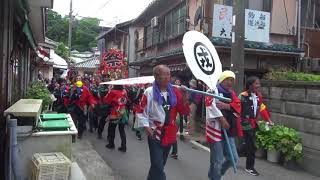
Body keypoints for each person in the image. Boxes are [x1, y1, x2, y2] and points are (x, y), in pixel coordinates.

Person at [136, 65, 189, 180]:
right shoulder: (149, 92)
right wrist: (147, 127)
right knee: (158, 165)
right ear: (156, 76)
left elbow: (183, 110)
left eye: (169, 74)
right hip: (155, 133)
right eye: (164, 74)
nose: (167, 77)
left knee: (159, 164)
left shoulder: (175, 91)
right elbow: (140, 111)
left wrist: (184, 97)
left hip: (170, 133)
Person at [205, 70, 243, 180]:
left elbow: (238, 106)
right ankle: (215, 177)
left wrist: (226, 106)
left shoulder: (232, 93)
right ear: (222, 79)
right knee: (217, 160)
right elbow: (210, 106)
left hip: (228, 130)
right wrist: (221, 119)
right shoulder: (212, 90)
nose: (230, 82)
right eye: (227, 79)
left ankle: (216, 174)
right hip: (215, 129)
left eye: (232, 80)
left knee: (233, 159)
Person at [238, 76, 273, 176]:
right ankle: (250, 167)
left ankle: (236, 154)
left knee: (250, 145)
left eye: (259, 84)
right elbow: (236, 110)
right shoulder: (242, 96)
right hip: (244, 124)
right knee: (252, 146)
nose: (259, 86)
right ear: (250, 85)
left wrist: (269, 120)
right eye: (256, 84)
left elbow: (262, 109)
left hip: (253, 123)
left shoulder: (259, 96)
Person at [104, 85, 128, 152]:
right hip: (123, 111)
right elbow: (127, 100)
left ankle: (111, 144)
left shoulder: (113, 92)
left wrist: (109, 91)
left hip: (115, 112)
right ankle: (124, 147)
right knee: (122, 130)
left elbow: (106, 100)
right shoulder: (124, 92)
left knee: (112, 129)